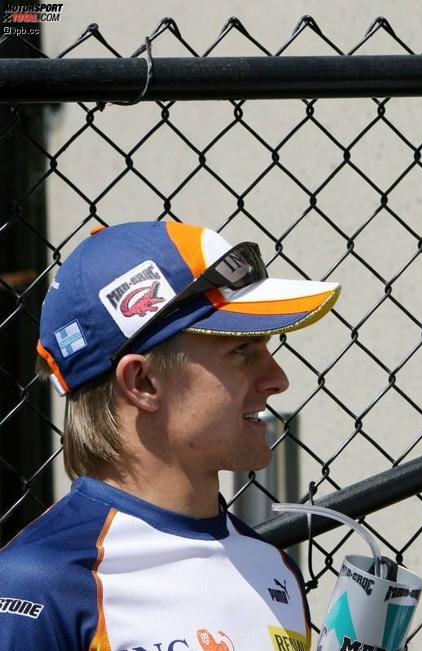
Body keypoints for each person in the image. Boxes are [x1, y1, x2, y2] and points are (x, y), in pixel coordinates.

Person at [0, 220, 341, 649]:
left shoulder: (273, 569)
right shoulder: (40, 583)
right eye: (242, 350)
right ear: (142, 383)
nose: (278, 379)